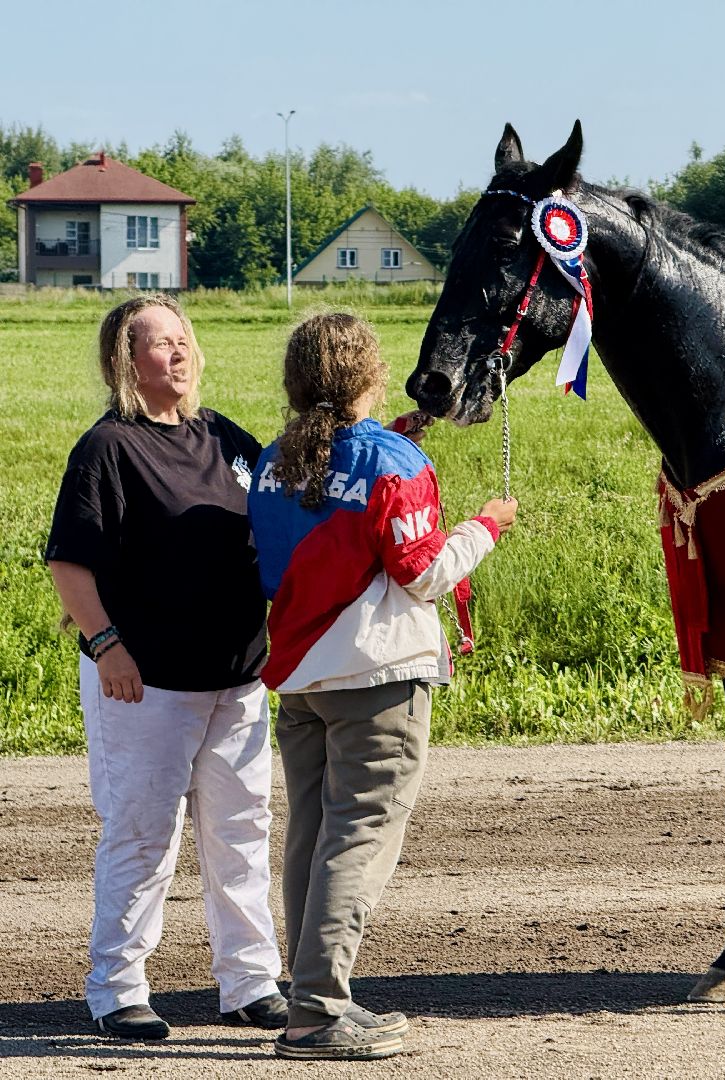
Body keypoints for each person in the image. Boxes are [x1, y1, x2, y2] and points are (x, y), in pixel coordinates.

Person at [247, 312, 517, 1061]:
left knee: (312, 839)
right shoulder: (390, 459)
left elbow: (326, 515)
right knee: (357, 841)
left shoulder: (276, 459)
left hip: (301, 678)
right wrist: (486, 525)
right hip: (378, 675)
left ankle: (311, 995)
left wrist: (391, 440)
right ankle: (317, 1014)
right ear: (368, 375)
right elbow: (424, 571)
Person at [46, 294, 287, 1040]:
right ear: (126, 360)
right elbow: (69, 563)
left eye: (182, 339)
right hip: (145, 682)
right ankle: (117, 990)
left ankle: (249, 982)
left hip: (237, 678)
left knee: (243, 833)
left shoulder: (228, 440)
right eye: (157, 343)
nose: (176, 353)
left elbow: (290, 501)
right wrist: (106, 644)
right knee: (143, 836)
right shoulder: (109, 448)